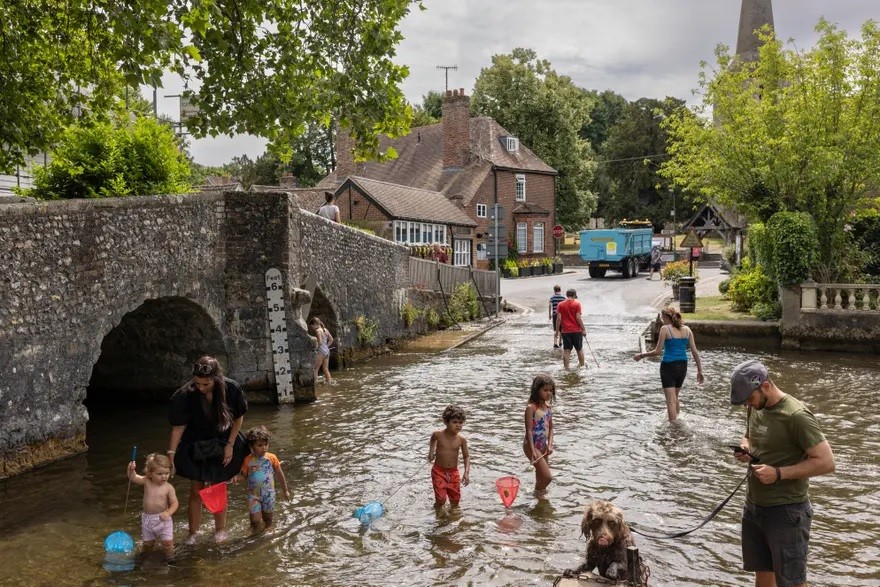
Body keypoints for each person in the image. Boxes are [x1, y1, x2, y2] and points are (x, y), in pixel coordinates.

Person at [729, 360, 835, 587]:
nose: (748, 404)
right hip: (754, 507)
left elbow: (826, 462)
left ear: (765, 385)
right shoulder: (755, 407)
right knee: (763, 575)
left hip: (787, 511)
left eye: (750, 398)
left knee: (792, 581)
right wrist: (746, 448)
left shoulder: (796, 415)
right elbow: (748, 435)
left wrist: (778, 473)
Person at [168, 355, 248, 544]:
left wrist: (230, 445)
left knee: (218, 487)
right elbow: (178, 426)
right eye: (197, 384)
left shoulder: (231, 388)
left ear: (217, 378)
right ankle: (193, 532)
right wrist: (171, 453)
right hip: (196, 442)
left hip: (223, 440)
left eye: (206, 385)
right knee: (196, 489)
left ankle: (220, 529)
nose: (201, 388)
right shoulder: (187, 393)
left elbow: (238, 418)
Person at [633, 306, 704, 421]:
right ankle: (677, 419)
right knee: (675, 396)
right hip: (682, 366)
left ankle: (673, 429)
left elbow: (657, 351)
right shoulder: (687, 330)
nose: (661, 320)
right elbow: (695, 352)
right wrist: (700, 371)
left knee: (670, 400)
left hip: (668, 366)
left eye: (662, 317)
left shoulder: (665, 329)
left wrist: (641, 355)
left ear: (666, 317)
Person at [232, 425, 290, 533]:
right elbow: (244, 476)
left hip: (269, 494)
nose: (264, 447)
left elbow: (279, 474)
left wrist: (285, 490)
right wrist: (236, 478)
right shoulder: (247, 460)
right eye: (260, 445)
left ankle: (266, 535)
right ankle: (255, 535)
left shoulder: (271, 458)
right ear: (251, 446)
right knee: (255, 521)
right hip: (253, 495)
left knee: (268, 520)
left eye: (266, 444)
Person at [126, 453, 179, 559]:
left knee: (167, 543)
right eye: (160, 474)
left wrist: (168, 512)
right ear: (150, 473)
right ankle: (146, 557)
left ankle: (170, 559)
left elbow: (175, 503)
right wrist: (130, 469)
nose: (164, 476)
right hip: (147, 519)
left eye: (167, 473)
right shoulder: (147, 481)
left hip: (163, 519)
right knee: (147, 544)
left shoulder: (169, 487)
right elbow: (133, 477)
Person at [428, 405, 470, 509]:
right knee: (441, 499)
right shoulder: (438, 435)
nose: (458, 425)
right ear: (446, 422)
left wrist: (466, 473)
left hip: (453, 472)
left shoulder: (461, 439)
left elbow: (466, 456)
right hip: (438, 471)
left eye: (461, 423)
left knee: (455, 500)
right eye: (454, 422)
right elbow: (433, 439)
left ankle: (453, 517)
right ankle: (437, 512)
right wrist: (431, 452)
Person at [522, 373, 555, 500]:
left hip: (543, 445)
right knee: (547, 477)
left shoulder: (548, 408)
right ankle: (537, 492)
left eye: (551, 390)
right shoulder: (531, 408)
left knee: (541, 475)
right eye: (545, 390)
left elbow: (551, 428)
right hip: (531, 445)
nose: (549, 393)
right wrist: (532, 450)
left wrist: (550, 445)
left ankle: (539, 500)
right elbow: (529, 431)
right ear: (537, 390)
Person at [556, 288, 587, 369]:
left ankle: (566, 368)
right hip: (576, 331)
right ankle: (582, 366)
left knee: (566, 350)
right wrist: (583, 329)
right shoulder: (577, 304)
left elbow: (558, 319)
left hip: (565, 331)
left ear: (567, 295)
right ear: (574, 295)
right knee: (579, 350)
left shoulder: (560, 304)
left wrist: (557, 332)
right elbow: (578, 318)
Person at [308, 317, 334, 386]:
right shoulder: (325, 329)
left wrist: (314, 349)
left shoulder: (317, 331)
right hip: (327, 351)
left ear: (314, 324)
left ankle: (315, 385)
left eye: (311, 326)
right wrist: (326, 347)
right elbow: (331, 339)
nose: (311, 328)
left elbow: (319, 342)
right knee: (325, 369)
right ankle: (329, 383)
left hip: (321, 352)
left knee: (315, 369)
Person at [548, 285, 567, 349]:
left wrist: (549, 314)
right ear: (560, 290)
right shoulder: (563, 298)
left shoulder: (552, 297)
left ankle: (555, 343)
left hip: (555, 314)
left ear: (554, 290)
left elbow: (550, 305)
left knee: (556, 329)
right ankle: (560, 342)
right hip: (562, 315)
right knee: (561, 329)